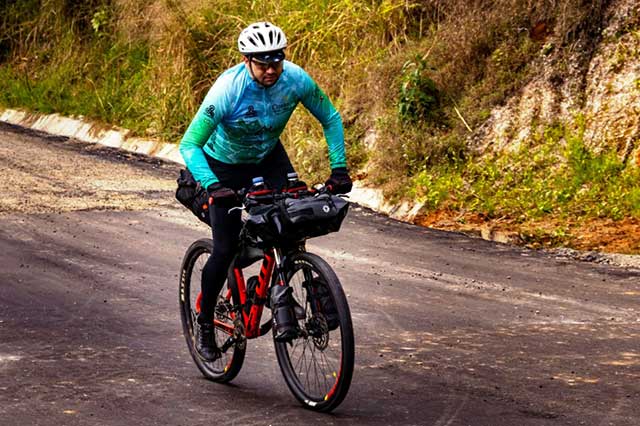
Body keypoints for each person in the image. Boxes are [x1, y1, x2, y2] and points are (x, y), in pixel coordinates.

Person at [179, 21, 353, 361]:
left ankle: (301, 287)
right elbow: (190, 144)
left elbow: (330, 117)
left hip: (267, 156)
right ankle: (203, 323)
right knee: (226, 246)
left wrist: (339, 168)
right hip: (223, 164)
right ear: (247, 60)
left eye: (277, 60)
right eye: (262, 62)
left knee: (294, 222)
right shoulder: (227, 90)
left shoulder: (296, 79)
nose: (271, 69)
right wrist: (214, 185)